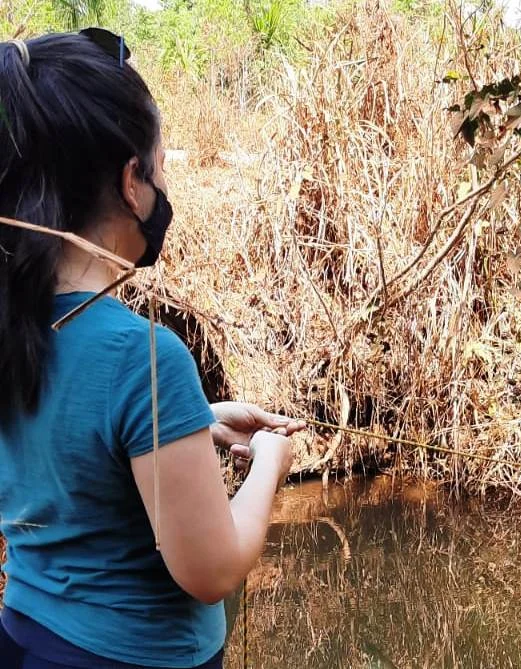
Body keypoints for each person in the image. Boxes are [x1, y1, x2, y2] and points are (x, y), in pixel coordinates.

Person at [0, 30, 301, 668]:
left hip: (26, 639)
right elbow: (211, 570)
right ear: (132, 181)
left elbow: (63, 449)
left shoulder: (14, 324)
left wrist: (196, 423)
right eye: (159, 169)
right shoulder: (145, 356)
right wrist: (269, 463)